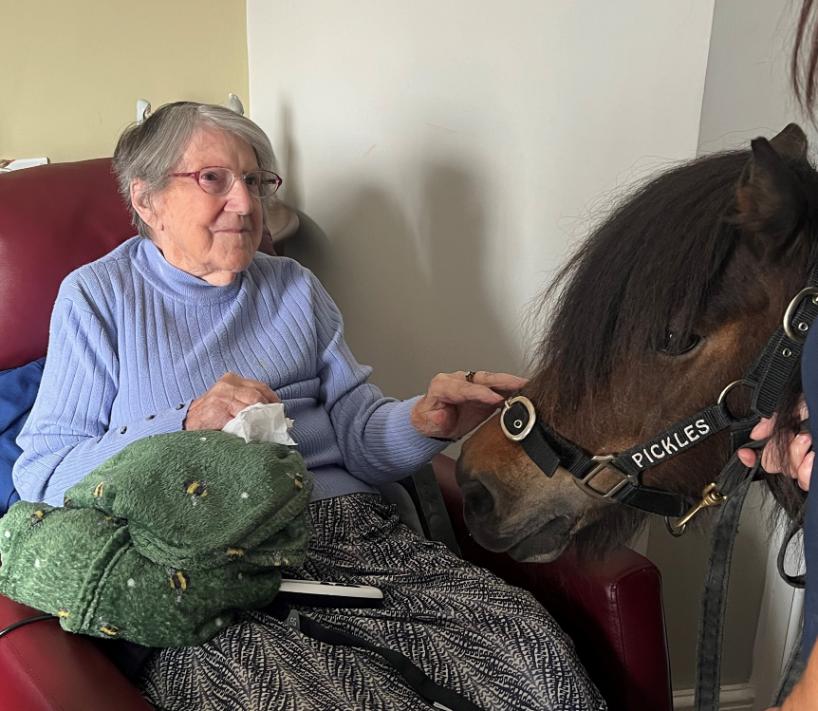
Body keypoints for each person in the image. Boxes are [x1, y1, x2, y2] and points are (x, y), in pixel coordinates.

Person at [11, 102, 605, 710]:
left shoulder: (295, 287)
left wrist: (425, 420)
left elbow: (361, 436)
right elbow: (42, 472)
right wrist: (183, 424)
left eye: (254, 181)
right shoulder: (97, 298)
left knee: (523, 639)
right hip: (206, 565)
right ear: (148, 200)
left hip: (354, 536)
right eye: (213, 179)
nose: (245, 204)